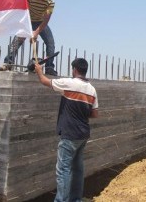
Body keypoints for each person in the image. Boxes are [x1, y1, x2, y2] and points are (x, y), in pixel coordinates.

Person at [35, 58, 99, 202]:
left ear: (75, 69)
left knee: (63, 170)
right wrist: (81, 109)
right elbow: (95, 114)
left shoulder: (70, 83)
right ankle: (76, 199)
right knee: (77, 169)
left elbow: (45, 81)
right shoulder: (92, 89)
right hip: (83, 135)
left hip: (70, 134)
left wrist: (39, 71)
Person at [1, 0, 58, 76]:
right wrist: (27, 30)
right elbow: (22, 12)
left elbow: (46, 20)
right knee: (17, 41)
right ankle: (8, 63)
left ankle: (49, 67)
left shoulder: (50, 2)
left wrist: (36, 33)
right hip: (26, 21)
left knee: (50, 43)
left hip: (40, 22)